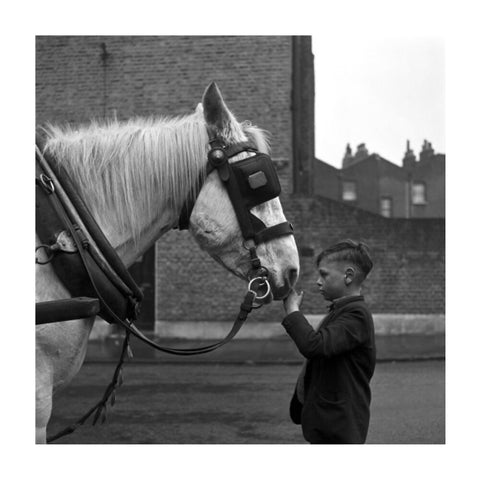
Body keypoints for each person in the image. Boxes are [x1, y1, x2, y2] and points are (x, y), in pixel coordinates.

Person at [282, 239, 376, 444]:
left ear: (348, 276)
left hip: (339, 427)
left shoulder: (356, 315)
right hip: (329, 423)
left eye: (324, 274)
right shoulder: (342, 310)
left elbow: (314, 346)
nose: (318, 281)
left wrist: (292, 311)